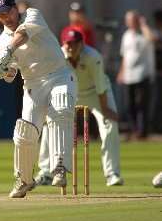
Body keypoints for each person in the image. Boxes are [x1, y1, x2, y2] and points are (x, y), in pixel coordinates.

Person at [0, 0, 77, 198]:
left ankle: (59, 167)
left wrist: (9, 51)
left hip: (59, 75)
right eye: (0, 15)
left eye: (8, 12)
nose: (5, 18)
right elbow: (10, 76)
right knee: (24, 132)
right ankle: (24, 180)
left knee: (61, 110)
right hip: (33, 85)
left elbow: (23, 35)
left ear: (16, 9)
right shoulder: (1, 42)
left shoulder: (32, 15)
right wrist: (0, 72)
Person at [36, 29, 123, 187]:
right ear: (63, 44)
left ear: (82, 44)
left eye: (75, 43)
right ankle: (45, 173)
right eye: (68, 44)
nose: (71, 47)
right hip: (69, 92)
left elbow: (100, 85)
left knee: (110, 125)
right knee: (51, 125)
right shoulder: (58, 56)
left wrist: (105, 109)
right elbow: (50, 82)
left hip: (95, 93)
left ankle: (112, 174)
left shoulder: (93, 56)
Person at [116, 10, 154, 140]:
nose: (131, 23)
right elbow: (124, 56)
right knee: (129, 104)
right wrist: (121, 72)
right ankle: (134, 130)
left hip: (143, 74)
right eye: (129, 20)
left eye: (133, 20)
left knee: (142, 104)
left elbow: (152, 39)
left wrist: (143, 25)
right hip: (128, 75)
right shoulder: (126, 35)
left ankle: (143, 131)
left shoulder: (144, 33)